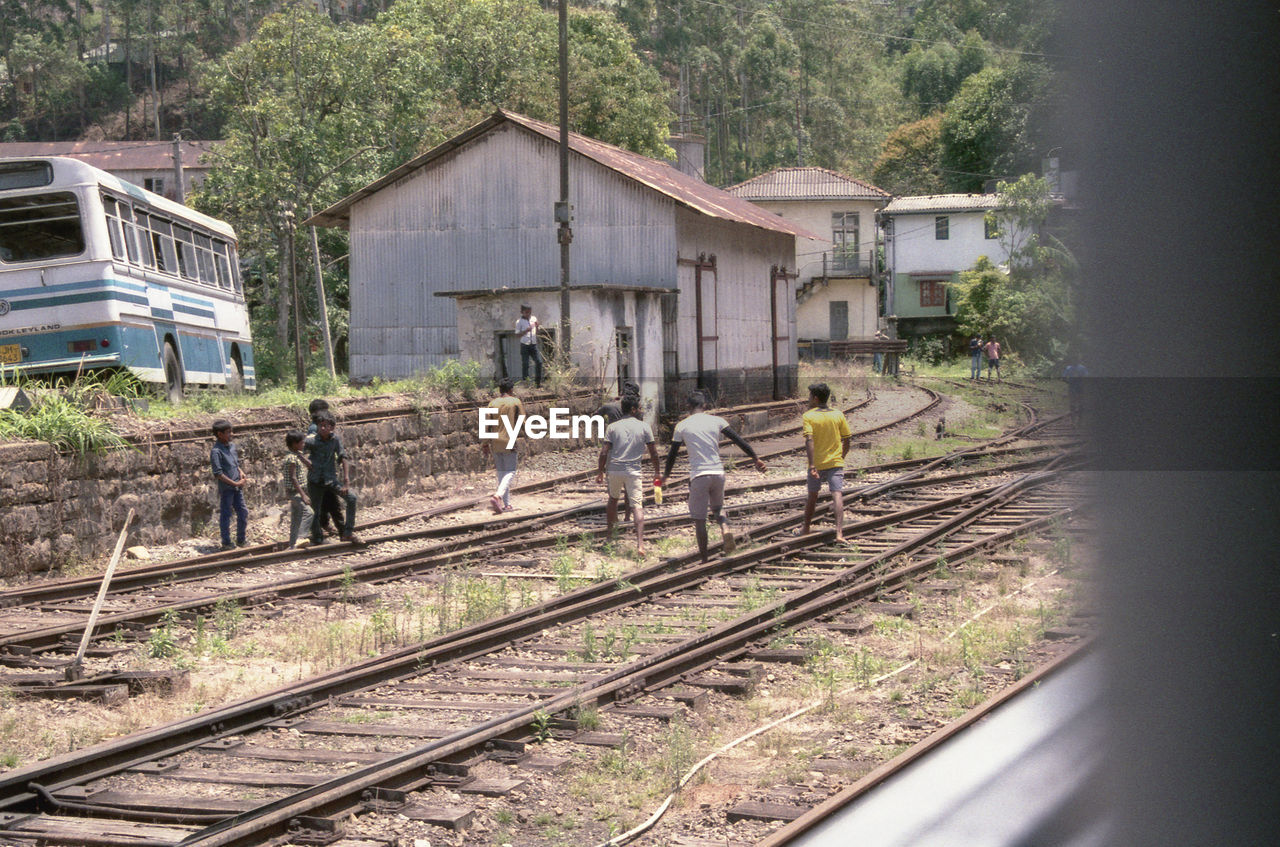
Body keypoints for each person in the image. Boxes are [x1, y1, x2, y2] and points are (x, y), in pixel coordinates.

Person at [660, 390, 767, 562]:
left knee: (700, 519)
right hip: (718, 473)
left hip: (699, 476)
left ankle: (704, 560)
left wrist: (665, 475)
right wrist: (755, 458)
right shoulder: (717, 421)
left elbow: (672, 454)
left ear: (688, 406)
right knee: (717, 508)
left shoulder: (682, 426)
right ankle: (725, 528)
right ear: (705, 406)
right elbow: (739, 440)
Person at [597, 395, 660, 556]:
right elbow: (653, 452)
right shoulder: (644, 427)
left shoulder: (612, 427)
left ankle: (610, 537)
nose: (640, 410)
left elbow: (604, 452)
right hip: (633, 471)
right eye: (638, 408)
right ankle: (640, 545)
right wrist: (657, 472)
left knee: (612, 500)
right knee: (637, 505)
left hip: (615, 470)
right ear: (632, 409)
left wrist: (600, 472)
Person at [801, 383, 853, 542]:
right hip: (836, 463)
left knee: (812, 496)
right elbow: (847, 439)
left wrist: (812, 465)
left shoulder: (809, 416)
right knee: (837, 494)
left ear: (815, 399)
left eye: (810, 396)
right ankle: (839, 533)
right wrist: (841, 457)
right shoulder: (838, 414)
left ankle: (806, 529)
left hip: (816, 464)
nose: (809, 399)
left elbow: (809, 441)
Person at [305, 410, 360, 545]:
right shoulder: (312, 441)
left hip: (330, 480)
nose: (322, 428)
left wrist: (346, 480)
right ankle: (318, 538)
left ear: (332, 427)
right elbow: (295, 449)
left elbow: (343, 457)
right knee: (315, 511)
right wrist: (305, 461)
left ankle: (347, 532)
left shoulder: (335, 440)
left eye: (325, 426)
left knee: (351, 498)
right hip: (315, 480)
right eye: (320, 426)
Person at [481, 378, 524, 514]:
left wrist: (485, 443)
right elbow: (523, 419)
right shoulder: (515, 402)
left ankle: (507, 504)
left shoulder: (492, 403)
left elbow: (486, 423)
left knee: (501, 473)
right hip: (509, 440)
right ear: (511, 390)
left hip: (494, 442)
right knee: (510, 472)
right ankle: (498, 496)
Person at [210, 419, 249, 551]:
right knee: (226, 514)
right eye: (228, 432)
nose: (231, 434)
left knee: (243, 512)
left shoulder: (231, 447)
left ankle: (241, 539)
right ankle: (226, 542)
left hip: (237, 487)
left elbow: (235, 464)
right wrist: (235, 483)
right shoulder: (216, 451)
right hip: (227, 488)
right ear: (219, 434)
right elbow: (218, 474)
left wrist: (241, 473)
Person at [306, 397, 337, 537]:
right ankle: (320, 528)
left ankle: (323, 525)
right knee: (321, 501)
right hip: (321, 471)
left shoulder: (318, 425)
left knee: (324, 500)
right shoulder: (314, 428)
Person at [280, 431, 313, 548]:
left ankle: (292, 544)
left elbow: (310, 465)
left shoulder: (296, 455)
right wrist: (303, 495)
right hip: (295, 492)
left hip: (297, 491)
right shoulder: (291, 458)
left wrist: (301, 456)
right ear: (294, 444)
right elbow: (293, 478)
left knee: (296, 518)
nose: (304, 444)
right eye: (302, 443)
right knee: (309, 512)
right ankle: (300, 538)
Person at [516, 305, 543, 388]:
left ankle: (537, 383)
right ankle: (526, 384)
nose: (528, 314)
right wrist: (526, 330)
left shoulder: (534, 319)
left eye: (530, 312)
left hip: (533, 345)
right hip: (524, 345)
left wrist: (537, 327)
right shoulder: (519, 322)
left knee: (539, 362)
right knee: (525, 364)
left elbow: (537, 332)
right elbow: (517, 335)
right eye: (526, 312)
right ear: (522, 312)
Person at [1063, 360, 1089, 426]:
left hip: (1072, 387)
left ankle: (1073, 421)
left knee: (1072, 404)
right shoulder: (1082, 368)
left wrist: (1069, 382)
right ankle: (1080, 420)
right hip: (1080, 388)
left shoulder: (1068, 368)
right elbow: (1086, 377)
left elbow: (1064, 378)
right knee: (1081, 404)